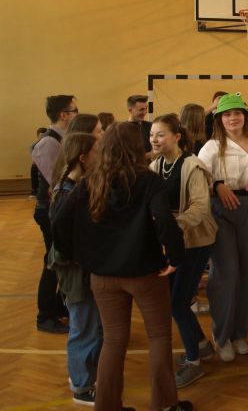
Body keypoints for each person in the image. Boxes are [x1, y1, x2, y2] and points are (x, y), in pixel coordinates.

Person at [52, 122, 190, 411]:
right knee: (159, 337)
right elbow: (165, 223)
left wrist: (81, 257)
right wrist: (176, 257)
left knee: (113, 341)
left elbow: (60, 224)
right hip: (146, 273)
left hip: (103, 275)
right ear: (137, 147)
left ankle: (107, 405)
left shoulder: (90, 181)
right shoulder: (149, 180)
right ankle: (165, 404)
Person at [198, 93, 248, 362]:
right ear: (219, 119)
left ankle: (240, 333)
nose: (232, 118)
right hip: (221, 210)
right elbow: (198, 177)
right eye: (227, 115)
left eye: (237, 113)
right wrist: (217, 184)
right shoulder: (212, 147)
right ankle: (222, 335)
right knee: (227, 272)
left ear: (245, 116)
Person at [150, 114, 218, 388]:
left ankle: (194, 362)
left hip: (196, 240)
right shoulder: (156, 165)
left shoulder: (192, 165)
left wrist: (171, 226)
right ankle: (201, 346)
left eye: (160, 134)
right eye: (152, 134)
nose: (154, 139)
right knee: (174, 300)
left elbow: (200, 207)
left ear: (177, 137)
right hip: (174, 240)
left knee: (178, 303)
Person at [48, 132, 103, 406]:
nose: (100, 156)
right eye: (96, 151)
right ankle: (82, 386)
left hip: (78, 266)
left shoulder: (71, 186)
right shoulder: (68, 192)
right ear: (83, 158)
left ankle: (83, 376)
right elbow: (63, 236)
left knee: (89, 323)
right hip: (75, 270)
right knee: (85, 326)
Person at [32, 94, 77, 334]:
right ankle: (45, 316)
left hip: (59, 209)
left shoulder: (63, 139)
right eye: (75, 110)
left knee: (61, 260)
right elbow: (57, 181)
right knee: (52, 262)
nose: (77, 114)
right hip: (49, 210)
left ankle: (58, 306)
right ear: (64, 114)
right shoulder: (49, 143)